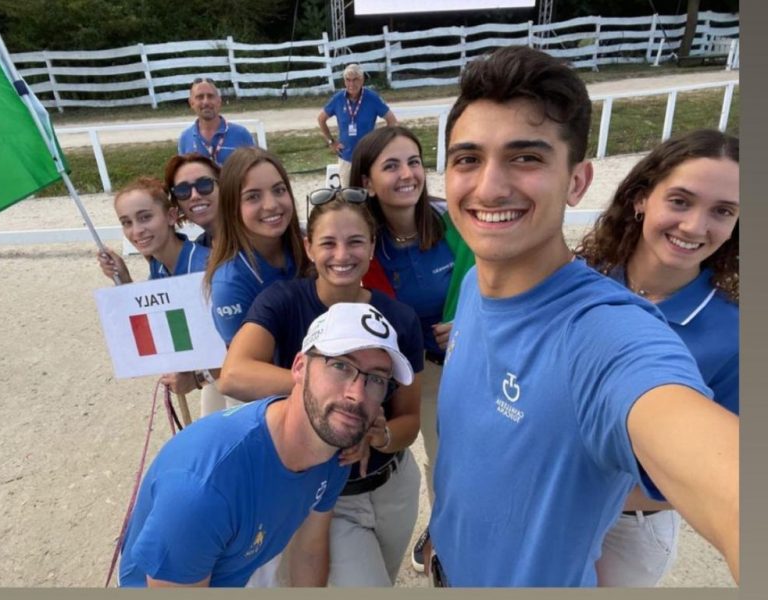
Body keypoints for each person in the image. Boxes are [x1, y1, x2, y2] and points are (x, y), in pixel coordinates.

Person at [426, 45, 739, 587]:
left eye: (526, 158)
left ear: (577, 181)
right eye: (468, 159)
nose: (489, 187)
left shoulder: (608, 334)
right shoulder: (475, 285)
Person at [117, 302, 415, 587]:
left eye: (377, 379)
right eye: (340, 366)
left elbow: (309, 552)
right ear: (299, 367)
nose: (357, 395)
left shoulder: (333, 450)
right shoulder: (204, 488)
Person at [219, 190, 425, 586]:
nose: (342, 254)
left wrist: (376, 434)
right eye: (328, 243)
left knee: (385, 577)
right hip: (326, 495)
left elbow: (410, 421)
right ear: (309, 248)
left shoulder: (399, 318)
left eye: (355, 242)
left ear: (372, 247)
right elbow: (234, 374)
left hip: (393, 486)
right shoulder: (283, 302)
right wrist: (331, 398)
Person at [575, 129, 739, 586]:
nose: (695, 227)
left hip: (627, 529)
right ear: (641, 198)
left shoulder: (735, 335)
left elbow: (717, 478)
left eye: (723, 211)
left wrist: (575, 484)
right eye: (681, 201)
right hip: (543, 501)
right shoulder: (579, 279)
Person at [349, 125, 474, 572]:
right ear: (367, 182)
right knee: (389, 463)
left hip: (450, 369)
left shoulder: (456, 223)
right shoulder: (358, 242)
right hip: (390, 375)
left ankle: (445, 540)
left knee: (450, 464)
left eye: (414, 162)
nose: (407, 174)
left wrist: (472, 322)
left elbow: (504, 283)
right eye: (391, 166)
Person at [200, 146, 308, 415]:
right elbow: (243, 373)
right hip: (266, 401)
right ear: (232, 207)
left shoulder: (308, 246)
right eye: (253, 197)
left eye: (279, 190)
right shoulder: (230, 282)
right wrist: (320, 384)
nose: (271, 204)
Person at [96, 176, 211, 396]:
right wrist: (124, 278)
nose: (136, 230)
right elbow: (156, 319)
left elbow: (231, 344)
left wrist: (198, 379)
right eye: (126, 222)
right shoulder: (159, 265)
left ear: (171, 216)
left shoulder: (204, 268)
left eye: (145, 217)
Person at [317, 64, 398, 185]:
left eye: (355, 79)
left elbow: (392, 121)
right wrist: (331, 142)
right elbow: (321, 119)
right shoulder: (338, 99)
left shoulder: (372, 98)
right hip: (346, 157)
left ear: (362, 80)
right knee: (348, 193)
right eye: (348, 80)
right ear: (344, 81)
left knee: (370, 191)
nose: (351, 84)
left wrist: (381, 143)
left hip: (368, 157)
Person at [178, 77, 254, 166]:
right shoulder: (185, 138)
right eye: (200, 97)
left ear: (219, 100)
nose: (206, 102)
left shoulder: (241, 135)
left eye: (210, 96)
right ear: (191, 103)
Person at [164, 152, 221, 249]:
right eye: (183, 190)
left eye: (204, 184)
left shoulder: (248, 237)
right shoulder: (199, 249)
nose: (194, 196)